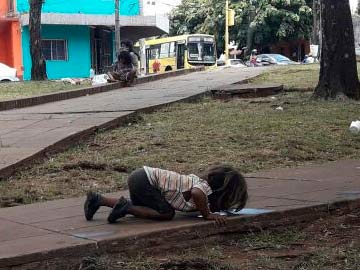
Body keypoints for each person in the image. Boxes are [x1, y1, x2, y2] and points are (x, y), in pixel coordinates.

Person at [84, 165, 248, 226]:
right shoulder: (202, 187)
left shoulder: (196, 182)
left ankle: (98, 200)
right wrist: (207, 215)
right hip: (146, 180)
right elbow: (197, 194)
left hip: (140, 176)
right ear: (221, 190)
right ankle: (125, 207)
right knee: (166, 213)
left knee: (144, 209)